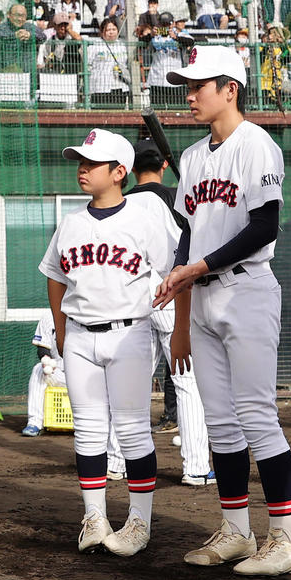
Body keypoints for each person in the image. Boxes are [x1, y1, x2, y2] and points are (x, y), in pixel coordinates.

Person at [155, 45, 291, 576]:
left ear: (231, 89)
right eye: (187, 85)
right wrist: (181, 294)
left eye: (200, 85)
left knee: (257, 417)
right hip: (202, 297)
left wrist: (194, 270)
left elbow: (264, 227)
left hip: (247, 289)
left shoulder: (257, 145)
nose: (190, 94)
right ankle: (238, 531)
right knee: (220, 424)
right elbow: (186, 238)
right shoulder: (195, 157)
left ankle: (287, 538)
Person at [40, 128, 178, 557]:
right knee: (89, 431)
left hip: (130, 333)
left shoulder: (144, 218)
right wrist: (62, 332)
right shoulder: (71, 222)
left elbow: (177, 267)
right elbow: (55, 276)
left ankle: (139, 521)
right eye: (80, 160)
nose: (82, 168)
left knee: (134, 430)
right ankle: (94, 517)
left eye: (92, 163)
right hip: (80, 335)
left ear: (120, 172)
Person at [128, 141, 212, 485]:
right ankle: (195, 467)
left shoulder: (119, 200)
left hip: (128, 297)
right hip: (167, 291)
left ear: (130, 168)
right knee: (187, 381)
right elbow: (186, 248)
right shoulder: (178, 198)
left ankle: (116, 462)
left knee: (130, 385)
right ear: (164, 164)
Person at [22, 310, 66, 436]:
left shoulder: (86, 313)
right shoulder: (49, 316)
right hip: (60, 374)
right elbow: (43, 348)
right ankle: (34, 422)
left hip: (85, 376)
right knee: (38, 369)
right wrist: (46, 359)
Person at [85, 17, 130, 105]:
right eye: (108, 30)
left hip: (120, 87)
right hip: (100, 88)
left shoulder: (123, 46)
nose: (111, 32)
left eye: (114, 29)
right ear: (102, 32)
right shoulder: (95, 46)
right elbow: (87, 66)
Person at [144, 13, 185, 108]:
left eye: (168, 24)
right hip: (157, 80)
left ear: (173, 24)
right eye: (163, 24)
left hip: (175, 81)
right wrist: (151, 35)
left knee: (177, 111)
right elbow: (141, 41)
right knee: (157, 110)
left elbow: (190, 41)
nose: (165, 27)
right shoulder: (154, 37)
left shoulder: (180, 34)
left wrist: (176, 37)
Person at [0, 3, 40, 74]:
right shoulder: (1, 28)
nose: (20, 19)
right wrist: (13, 36)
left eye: (23, 16)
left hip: (28, 72)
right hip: (6, 72)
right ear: (8, 15)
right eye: (17, 15)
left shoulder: (30, 27)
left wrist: (29, 35)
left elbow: (43, 37)